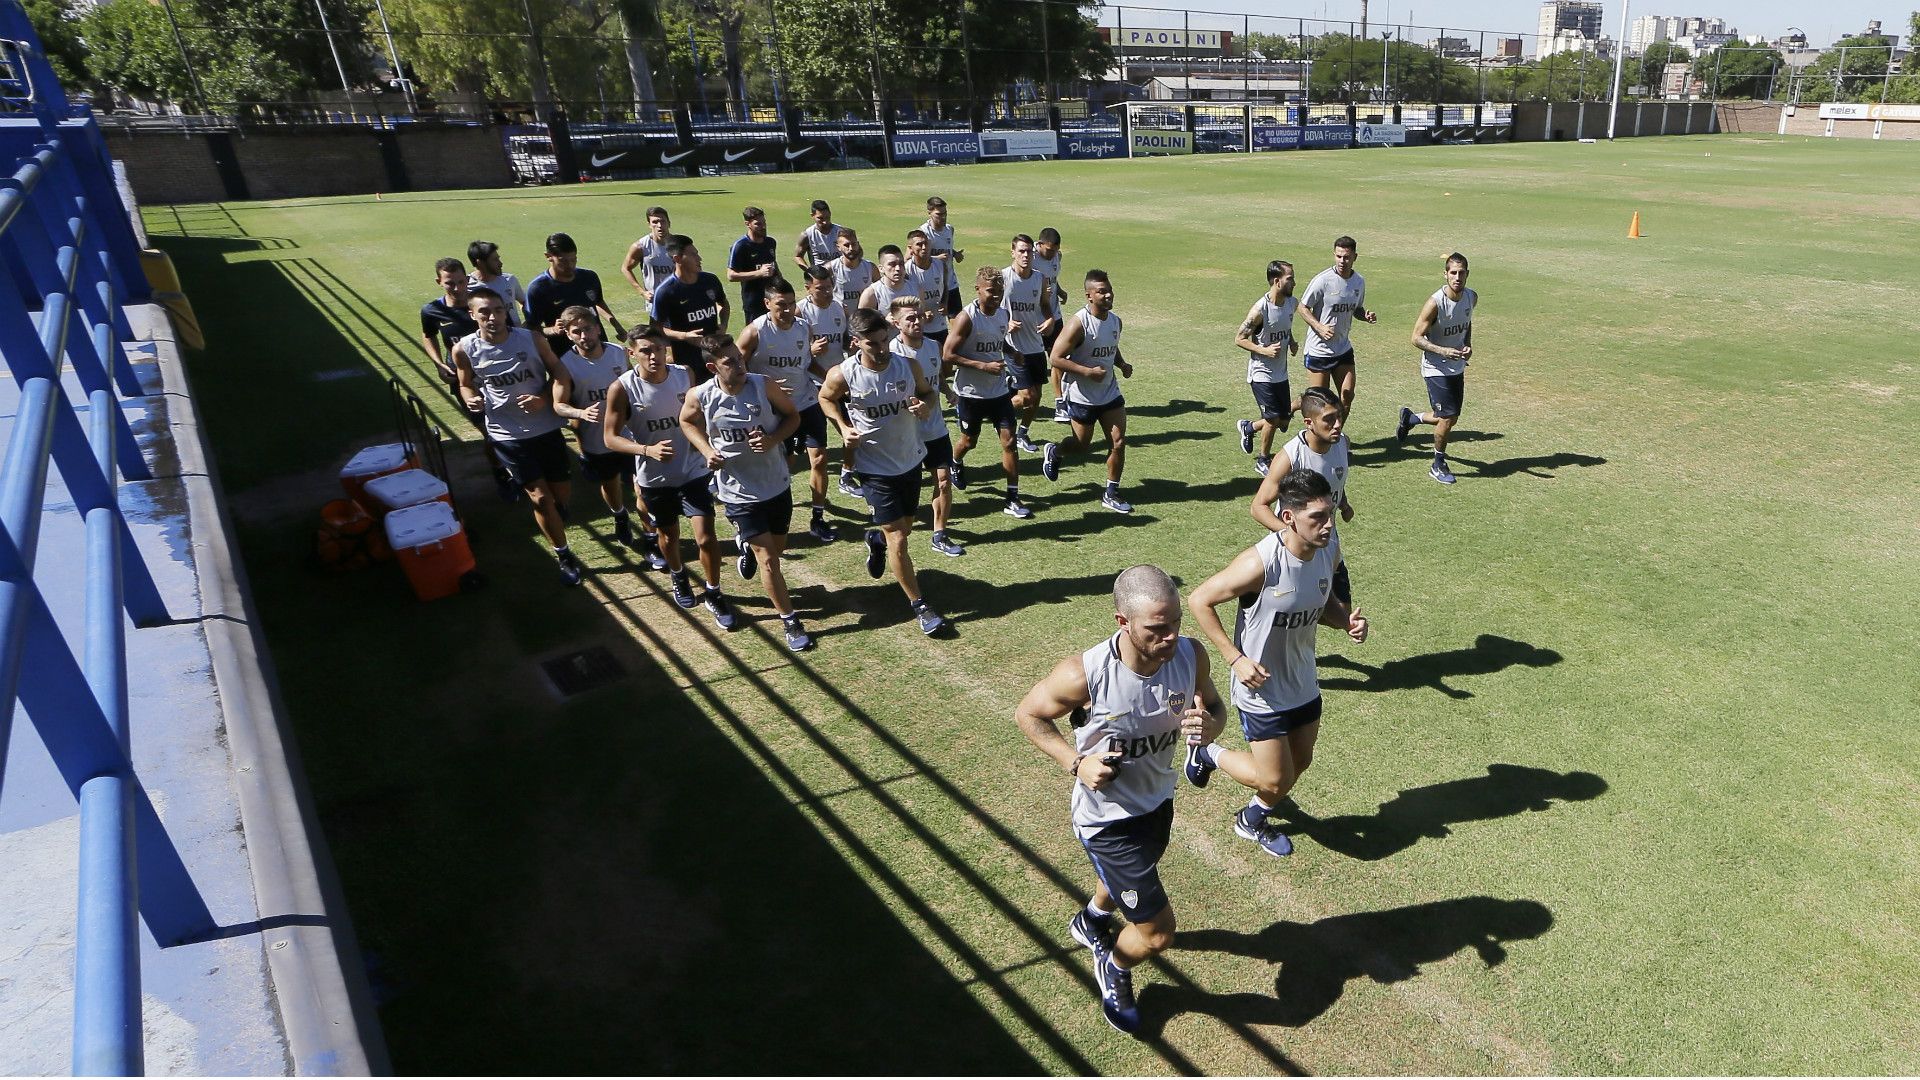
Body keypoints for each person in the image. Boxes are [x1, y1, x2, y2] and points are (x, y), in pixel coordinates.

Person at [1013, 564, 1225, 1034]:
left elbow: (1214, 707)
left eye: (1175, 624)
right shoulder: (1083, 674)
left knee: (1138, 871)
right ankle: (1115, 964)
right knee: (1158, 933)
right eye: (1157, 628)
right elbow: (1028, 714)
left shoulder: (1191, 656)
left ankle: (1091, 920)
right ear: (1122, 622)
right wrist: (1076, 763)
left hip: (1157, 803)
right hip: (1105, 820)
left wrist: (1210, 727)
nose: (1170, 637)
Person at [1184, 470, 1369, 859]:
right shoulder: (1260, 563)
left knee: (1300, 762)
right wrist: (1235, 659)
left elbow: (1323, 604)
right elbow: (1199, 600)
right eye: (1317, 517)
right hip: (1261, 691)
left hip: (1303, 681)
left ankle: (1251, 817)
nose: (1328, 524)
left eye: (1330, 513)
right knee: (1274, 776)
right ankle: (1208, 753)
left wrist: (1346, 621)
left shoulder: (1328, 550)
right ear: (1288, 518)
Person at [680, 335, 814, 652]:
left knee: (776, 551)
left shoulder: (762, 384)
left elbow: (793, 416)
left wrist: (772, 440)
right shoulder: (700, 395)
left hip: (776, 483)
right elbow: (686, 421)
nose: (740, 365)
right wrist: (706, 449)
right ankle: (790, 621)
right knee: (769, 562)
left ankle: (744, 546)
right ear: (713, 367)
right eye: (730, 362)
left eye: (740, 358)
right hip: (737, 490)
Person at [818, 308, 947, 636]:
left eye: (884, 341)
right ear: (856, 342)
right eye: (872, 343)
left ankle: (875, 540)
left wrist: (925, 406)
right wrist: (843, 427)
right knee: (900, 538)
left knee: (904, 528)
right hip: (874, 467)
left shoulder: (907, 365)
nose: (881, 348)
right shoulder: (844, 374)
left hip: (909, 459)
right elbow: (825, 398)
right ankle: (920, 605)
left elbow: (928, 392)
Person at [603, 326, 738, 629]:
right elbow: (610, 438)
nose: (654, 356)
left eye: (658, 349)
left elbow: (696, 416)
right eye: (645, 351)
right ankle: (678, 574)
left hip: (693, 470)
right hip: (656, 478)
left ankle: (714, 593)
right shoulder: (622, 388)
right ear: (631, 354)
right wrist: (646, 450)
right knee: (669, 536)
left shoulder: (684, 374)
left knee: (706, 537)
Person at [451, 289, 583, 586]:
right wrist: (470, 398)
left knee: (560, 496)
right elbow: (465, 383)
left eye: (498, 310)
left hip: (546, 427)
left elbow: (561, 374)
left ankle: (557, 516)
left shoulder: (532, 339)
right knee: (540, 498)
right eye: (484, 312)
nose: (493, 317)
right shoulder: (464, 348)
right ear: (472, 315)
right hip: (506, 433)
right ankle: (563, 554)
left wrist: (543, 397)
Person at [551, 305, 662, 565]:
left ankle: (650, 538)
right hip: (596, 439)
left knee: (642, 488)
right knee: (610, 484)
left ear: (598, 328)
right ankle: (619, 514)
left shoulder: (616, 353)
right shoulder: (565, 365)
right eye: (576, 331)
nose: (583, 336)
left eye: (587, 329)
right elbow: (558, 404)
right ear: (567, 334)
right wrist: (580, 413)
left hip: (629, 434)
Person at [737, 277, 836, 544]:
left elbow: (806, 363)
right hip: (773, 409)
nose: (788, 310)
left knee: (819, 459)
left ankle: (818, 517)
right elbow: (734, 368)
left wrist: (828, 377)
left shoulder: (803, 327)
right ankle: (756, 517)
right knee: (782, 466)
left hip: (806, 401)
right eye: (781, 305)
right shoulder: (755, 332)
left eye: (792, 304)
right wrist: (763, 384)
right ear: (767, 304)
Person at [1252, 386, 1354, 606]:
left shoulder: (1342, 443)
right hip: (1292, 551)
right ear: (1309, 423)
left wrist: (1343, 503)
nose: (1337, 425)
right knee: (1291, 609)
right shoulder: (1290, 457)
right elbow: (1258, 506)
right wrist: (1291, 534)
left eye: (1339, 416)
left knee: (1343, 613)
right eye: (1329, 419)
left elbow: (1333, 479)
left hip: (1328, 543)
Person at [1042, 270, 1134, 514]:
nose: (1108, 294)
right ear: (1089, 295)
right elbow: (1056, 358)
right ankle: (1055, 451)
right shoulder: (1078, 323)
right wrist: (1086, 372)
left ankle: (1111, 492)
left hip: (1109, 393)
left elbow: (1110, 347)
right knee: (1081, 445)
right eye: (1102, 291)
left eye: (1109, 289)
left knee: (1118, 441)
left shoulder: (1115, 321)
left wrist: (1122, 364)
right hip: (1082, 395)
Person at [943, 266, 1031, 520]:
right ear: (978, 289)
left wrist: (1011, 352)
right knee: (969, 441)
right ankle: (955, 463)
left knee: (1009, 442)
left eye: (999, 291)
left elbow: (998, 339)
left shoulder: (1003, 314)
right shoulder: (966, 317)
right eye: (991, 291)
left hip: (999, 391)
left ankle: (1012, 498)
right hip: (971, 393)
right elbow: (948, 354)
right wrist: (982, 365)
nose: (996, 296)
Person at [888, 296, 965, 558]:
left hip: (935, 428)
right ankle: (887, 531)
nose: (916, 322)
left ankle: (940, 534)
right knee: (903, 491)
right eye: (909, 318)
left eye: (918, 316)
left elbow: (937, 376)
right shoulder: (890, 354)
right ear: (896, 323)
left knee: (943, 481)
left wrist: (947, 390)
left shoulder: (933, 345)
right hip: (904, 433)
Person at [1396, 252, 1477, 486]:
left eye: (1462, 273)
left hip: (1457, 366)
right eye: (1453, 273)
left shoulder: (1471, 298)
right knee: (1447, 417)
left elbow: (1467, 322)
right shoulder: (1435, 303)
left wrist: (1467, 345)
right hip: (1435, 367)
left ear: (1467, 274)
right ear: (1445, 274)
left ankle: (1410, 419)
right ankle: (1437, 464)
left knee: (1450, 418)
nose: (1457, 277)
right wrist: (1443, 351)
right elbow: (1415, 338)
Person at [797, 265, 863, 501]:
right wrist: (810, 350)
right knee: (814, 445)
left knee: (851, 430)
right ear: (808, 288)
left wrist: (851, 346)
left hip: (837, 382)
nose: (827, 292)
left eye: (829, 287)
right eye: (820, 288)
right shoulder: (800, 313)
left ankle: (846, 475)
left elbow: (844, 342)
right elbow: (795, 352)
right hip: (812, 384)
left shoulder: (838, 308)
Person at [1233, 259, 1302, 476]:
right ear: (1276, 281)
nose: (1294, 283)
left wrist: (1290, 341)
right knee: (1273, 419)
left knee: (1283, 421)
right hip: (1261, 373)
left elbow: (1284, 326)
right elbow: (1239, 338)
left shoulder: (1291, 304)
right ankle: (1263, 460)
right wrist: (1264, 350)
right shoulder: (1260, 309)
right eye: (1290, 279)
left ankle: (1249, 427)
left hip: (1281, 372)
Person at [1298, 236, 1376, 421]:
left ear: (1355, 257)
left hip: (1342, 349)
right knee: (1321, 405)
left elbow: (1356, 309)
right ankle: (1289, 409)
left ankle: (1336, 437)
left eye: (1347, 257)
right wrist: (1319, 326)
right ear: (1334, 255)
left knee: (1347, 395)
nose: (1342, 261)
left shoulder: (1358, 282)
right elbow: (1302, 307)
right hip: (1319, 351)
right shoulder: (1323, 281)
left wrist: (1364, 316)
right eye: (1339, 256)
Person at [526, 232, 625, 361]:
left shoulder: (589, 277)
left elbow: (597, 302)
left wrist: (616, 325)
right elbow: (532, 328)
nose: (570, 266)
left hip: (598, 346)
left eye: (573, 260)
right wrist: (553, 330)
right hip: (565, 354)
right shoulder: (538, 288)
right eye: (563, 261)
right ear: (548, 256)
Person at [1001, 234, 1058, 454]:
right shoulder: (1003, 278)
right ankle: (993, 407)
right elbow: (989, 307)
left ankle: (1021, 433)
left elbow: (1044, 304)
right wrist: (1005, 323)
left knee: (1036, 399)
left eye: (1029, 252)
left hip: (1035, 345)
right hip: (1014, 347)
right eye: (1021, 251)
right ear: (1013, 252)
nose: (1026, 255)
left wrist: (1050, 319)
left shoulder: (1040, 278)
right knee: (1028, 396)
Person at [651, 234, 730, 385]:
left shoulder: (710, 281)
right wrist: (684, 336)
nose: (699, 258)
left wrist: (723, 324)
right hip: (688, 360)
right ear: (677, 259)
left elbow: (723, 304)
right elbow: (656, 328)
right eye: (693, 255)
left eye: (697, 253)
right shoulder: (666, 291)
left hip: (715, 354)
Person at [419, 257, 476, 390]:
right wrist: (439, 364)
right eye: (450, 283)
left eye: (461, 282)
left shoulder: (485, 303)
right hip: (457, 370)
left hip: (491, 368)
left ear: (467, 280)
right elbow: (428, 335)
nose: (457, 288)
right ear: (439, 282)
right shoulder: (431, 310)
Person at [1033, 227, 1069, 423]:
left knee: (1058, 358)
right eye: (1048, 250)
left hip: (1054, 316)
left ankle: (1060, 403)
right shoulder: (1029, 259)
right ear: (1039, 245)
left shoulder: (1057, 257)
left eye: (1055, 250)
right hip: (1034, 320)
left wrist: (1059, 290)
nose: (1051, 254)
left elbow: (1053, 280)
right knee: (1033, 367)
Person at [726, 205, 780, 323]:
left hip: (772, 299)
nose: (763, 226)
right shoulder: (741, 246)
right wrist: (759, 273)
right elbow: (731, 275)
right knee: (756, 337)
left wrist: (781, 284)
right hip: (753, 302)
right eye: (758, 224)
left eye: (764, 222)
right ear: (747, 224)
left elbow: (774, 265)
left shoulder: (770, 242)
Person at [620, 205, 677, 308]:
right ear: (649, 225)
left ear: (669, 223)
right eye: (655, 222)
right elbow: (625, 268)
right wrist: (642, 292)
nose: (659, 225)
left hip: (679, 298)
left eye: (662, 221)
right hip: (655, 301)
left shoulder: (680, 245)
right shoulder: (641, 246)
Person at [904, 230, 951, 346]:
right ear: (911, 248)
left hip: (939, 323)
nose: (924, 247)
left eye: (926, 243)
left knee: (945, 359)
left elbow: (945, 286)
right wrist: (921, 312)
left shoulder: (940, 264)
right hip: (918, 325)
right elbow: (905, 298)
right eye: (919, 244)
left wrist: (944, 303)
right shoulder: (907, 270)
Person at [467, 241, 528, 326]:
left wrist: (529, 321)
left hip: (515, 335)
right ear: (480, 263)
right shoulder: (466, 286)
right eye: (495, 260)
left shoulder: (509, 280)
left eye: (498, 258)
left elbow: (524, 301)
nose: (500, 263)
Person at [921, 196, 964, 316]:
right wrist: (936, 259)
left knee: (957, 319)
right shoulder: (923, 234)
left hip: (951, 282)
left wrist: (955, 254)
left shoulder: (949, 229)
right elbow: (913, 258)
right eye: (939, 214)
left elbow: (946, 248)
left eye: (945, 213)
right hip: (933, 286)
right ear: (929, 213)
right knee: (933, 321)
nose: (943, 217)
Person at [856, 243, 913, 316]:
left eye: (901, 264)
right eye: (892, 264)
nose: (898, 268)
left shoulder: (915, 289)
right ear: (881, 268)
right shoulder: (871, 294)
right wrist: (885, 322)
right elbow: (861, 324)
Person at [831, 229, 877, 312]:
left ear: (858, 244)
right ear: (838, 247)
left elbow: (881, 291)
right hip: (841, 319)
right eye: (846, 245)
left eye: (854, 244)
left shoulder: (870, 267)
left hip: (863, 319)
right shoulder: (831, 268)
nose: (851, 248)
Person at [793, 199, 842, 271]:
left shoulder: (841, 232)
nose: (825, 222)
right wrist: (810, 271)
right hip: (821, 278)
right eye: (820, 218)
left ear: (830, 213)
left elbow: (857, 252)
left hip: (840, 274)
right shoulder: (807, 235)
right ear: (812, 216)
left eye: (827, 217)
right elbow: (797, 257)